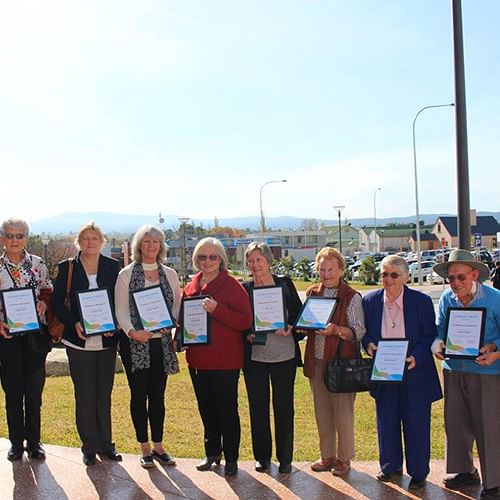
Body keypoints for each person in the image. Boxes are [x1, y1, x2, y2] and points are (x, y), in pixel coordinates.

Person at [362, 255, 442, 492]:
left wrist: (416, 355)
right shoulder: (370, 301)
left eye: (394, 275)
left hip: (415, 371)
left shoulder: (421, 301)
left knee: (416, 423)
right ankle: (390, 466)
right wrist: (368, 345)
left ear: (406, 277)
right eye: (384, 274)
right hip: (385, 372)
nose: (388, 279)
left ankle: (418, 473)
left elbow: (430, 335)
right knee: (386, 420)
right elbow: (365, 334)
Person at [431, 249, 500, 499]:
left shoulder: (494, 298)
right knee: (455, 422)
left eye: (461, 277)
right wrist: (437, 346)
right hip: (454, 369)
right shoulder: (447, 299)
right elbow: (439, 330)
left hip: (487, 371)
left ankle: (494, 481)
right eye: (451, 278)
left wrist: (495, 351)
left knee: (489, 426)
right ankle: (463, 471)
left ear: (474, 274)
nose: (456, 283)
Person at [52, 222, 121, 466]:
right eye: (85, 238)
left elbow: (120, 301)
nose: (90, 242)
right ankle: (89, 446)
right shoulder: (67, 268)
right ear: (78, 242)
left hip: (107, 340)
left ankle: (106, 444)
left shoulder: (113, 267)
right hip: (78, 341)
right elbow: (57, 302)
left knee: (104, 394)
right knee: (84, 394)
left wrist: (115, 323)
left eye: (94, 238)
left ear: (101, 241)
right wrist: (74, 324)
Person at [183, 237, 252, 476]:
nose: (208, 261)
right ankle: (212, 452)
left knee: (226, 410)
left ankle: (231, 457)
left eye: (213, 257)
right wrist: (179, 339)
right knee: (206, 409)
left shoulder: (232, 285)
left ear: (221, 259)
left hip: (225, 361)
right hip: (198, 360)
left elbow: (245, 321)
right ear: (196, 260)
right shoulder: (192, 285)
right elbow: (186, 320)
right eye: (202, 257)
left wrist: (217, 310)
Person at [115, 225, 181, 469]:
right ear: (139, 246)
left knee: (158, 396)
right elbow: (120, 310)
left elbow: (175, 305)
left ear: (161, 246)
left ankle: (159, 445)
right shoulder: (126, 275)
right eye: (146, 241)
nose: (151, 245)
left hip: (160, 344)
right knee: (138, 395)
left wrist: (171, 323)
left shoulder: (170, 274)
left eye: (156, 241)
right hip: (135, 344)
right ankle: (144, 447)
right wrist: (133, 332)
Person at [303, 247, 366, 476]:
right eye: (322, 269)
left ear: (341, 270)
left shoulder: (351, 297)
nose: (326, 274)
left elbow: (358, 332)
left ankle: (344, 458)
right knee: (322, 412)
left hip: (341, 364)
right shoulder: (312, 293)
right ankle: (327, 455)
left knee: (343, 414)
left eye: (330, 269)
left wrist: (337, 330)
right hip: (317, 362)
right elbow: (306, 324)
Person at [243, 242, 303, 474]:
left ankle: (285, 457)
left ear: (269, 261)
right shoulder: (245, 288)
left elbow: (298, 315)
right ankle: (262, 457)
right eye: (251, 260)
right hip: (255, 357)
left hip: (284, 356)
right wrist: (246, 334)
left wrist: (291, 327)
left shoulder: (284, 284)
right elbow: (241, 321)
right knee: (258, 407)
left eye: (259, 259)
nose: (255, 264)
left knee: (284, 407)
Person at [0, 217, 53, 461]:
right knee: (12, 393)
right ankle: (16, 444)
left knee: (33, 393)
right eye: (9, 235)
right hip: (7, 337)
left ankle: (34, 442)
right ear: (2, 238)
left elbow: (47, 289)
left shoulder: (37, 263)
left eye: (19, 235)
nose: (14, 240)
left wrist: (44, 303)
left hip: (34, 337)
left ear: (26, 238)